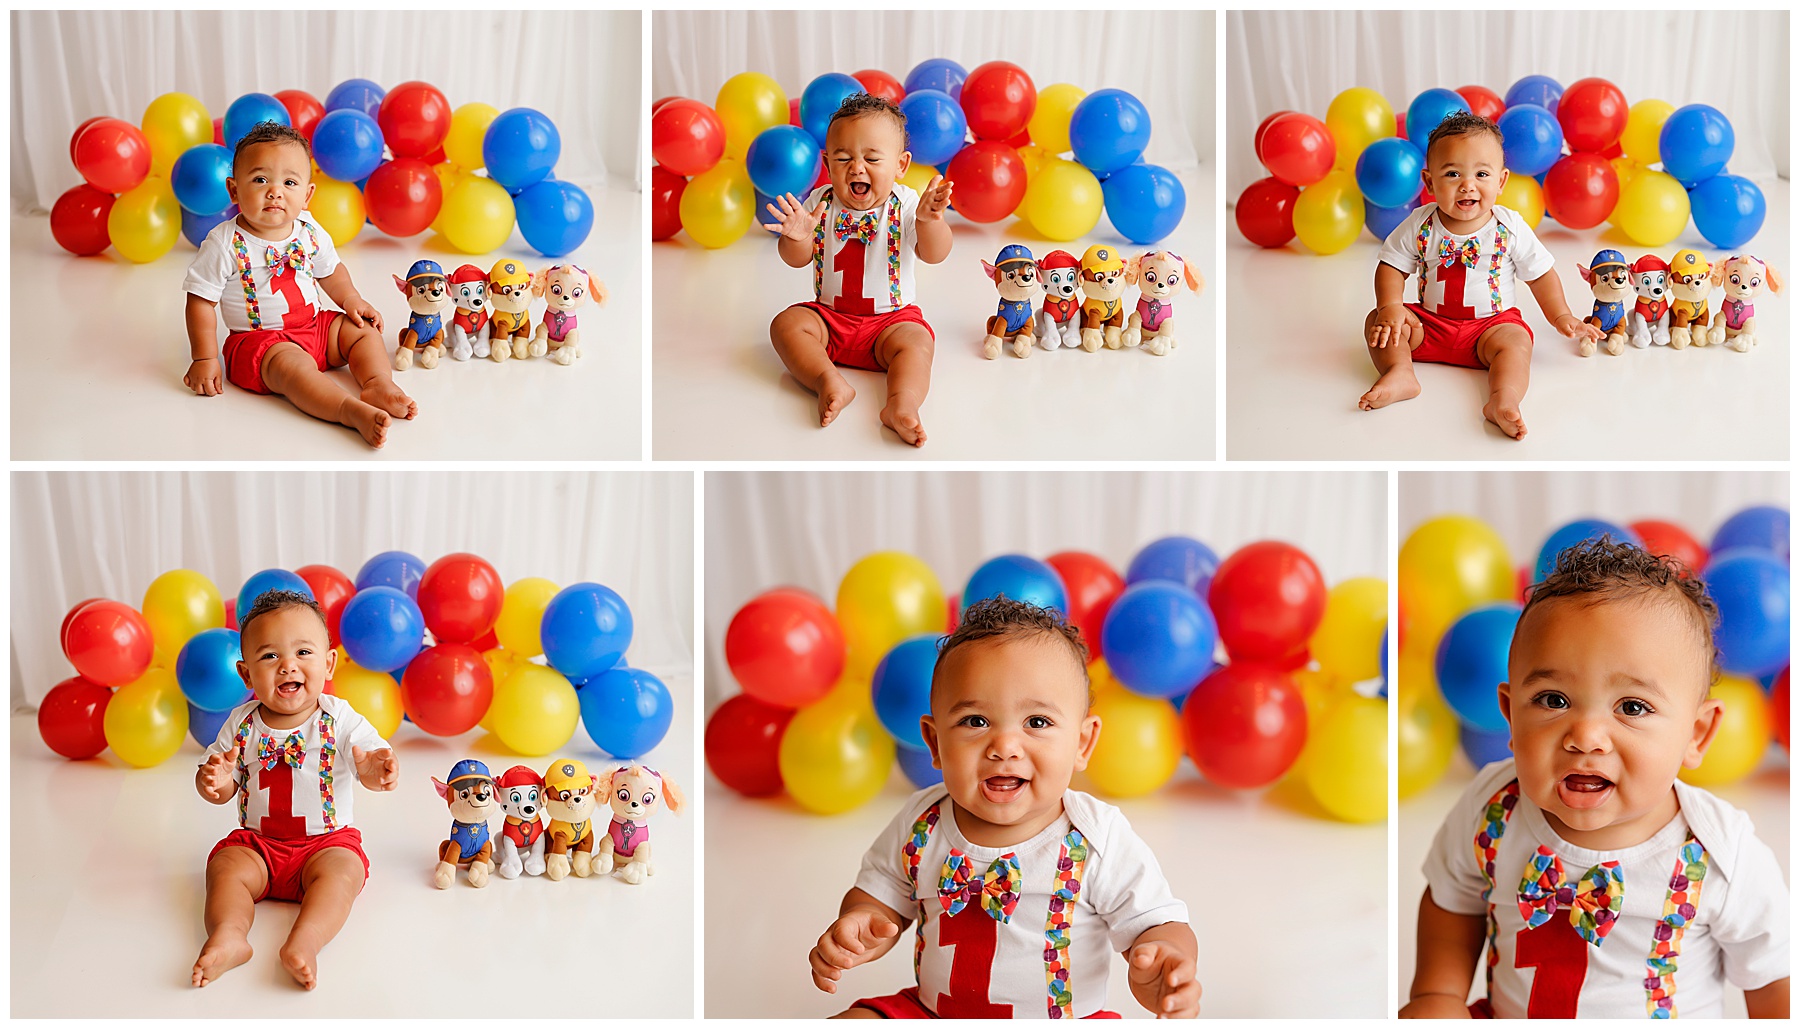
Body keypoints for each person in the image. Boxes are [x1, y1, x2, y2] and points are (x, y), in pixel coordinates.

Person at [1403, 539, 1789, 1018]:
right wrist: (1436, 996)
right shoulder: (1493, 808)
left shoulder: (1721, 854)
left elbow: (1774, 978)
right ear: (1510, 715)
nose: (1585, 737)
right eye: (1553, 700)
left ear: (1697, 733)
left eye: (1632, 707)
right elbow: (1452, 900)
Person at [809, 597, 1200, 1017]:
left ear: (1083, 743)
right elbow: (880, 895)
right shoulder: (921, 821)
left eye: (1037, 722)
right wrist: (862, 923)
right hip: (932, 1013)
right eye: (975, 721)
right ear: (935, 742)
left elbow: (1156, 921)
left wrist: (1163, 956)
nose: (1005, 748)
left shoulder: (1096, 836)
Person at [191, 589, 399, 990]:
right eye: (269, 656)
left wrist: (376, 770)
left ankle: (306, 940)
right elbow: (223, 787)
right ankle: (229, 934)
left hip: (326, 844)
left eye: (304, 652)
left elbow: (370, 762)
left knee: (344, 873)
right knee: (225, 867)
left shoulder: (339, 718)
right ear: (247, 674)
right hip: (259, 845)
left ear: (329, 662)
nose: (288, 665)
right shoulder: (241, 723)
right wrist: (213, 782)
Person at [1359, 111, 1602, 440]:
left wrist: (1560, 314)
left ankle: (1503, 398)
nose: (1467, 185)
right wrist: (1391, 306)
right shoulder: (1421, 223)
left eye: (1481, 173)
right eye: (1453, 173)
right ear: (1429, 182)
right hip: (1428, 326)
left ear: (1501, 181)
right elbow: (1391, 265)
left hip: (1490, 329)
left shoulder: (1509, 227)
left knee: (1517, 342)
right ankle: (1400, 372)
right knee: (1378, 320)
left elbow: (1540, 275)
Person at [181, 122, 415, 447]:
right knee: (294, 370)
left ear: (306, 195)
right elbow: (200, 300)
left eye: (289, 182)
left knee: (362, 331)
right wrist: (204, 358)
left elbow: (331, 271)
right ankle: (347, 410)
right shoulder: (225, 243)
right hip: (261, 343)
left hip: (315, 326)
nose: (275, 191)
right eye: (260, 179)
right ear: (234, 190)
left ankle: (377, 383)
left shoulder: (308, 230)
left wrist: (351, 299)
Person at [763, 93, 954, 447]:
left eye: (872, 158)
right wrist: (797, 237)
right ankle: (827, 379)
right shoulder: (819, 202)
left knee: (918, 343)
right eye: (843, 157)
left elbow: (935, 253)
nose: (857, 167)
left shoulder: (906, 204)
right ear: (827, 163)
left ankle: (901, 403)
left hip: (890, 323)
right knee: (786, 325)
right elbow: (796, 259)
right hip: (829, 320)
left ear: (900, 165)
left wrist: (929, 222)